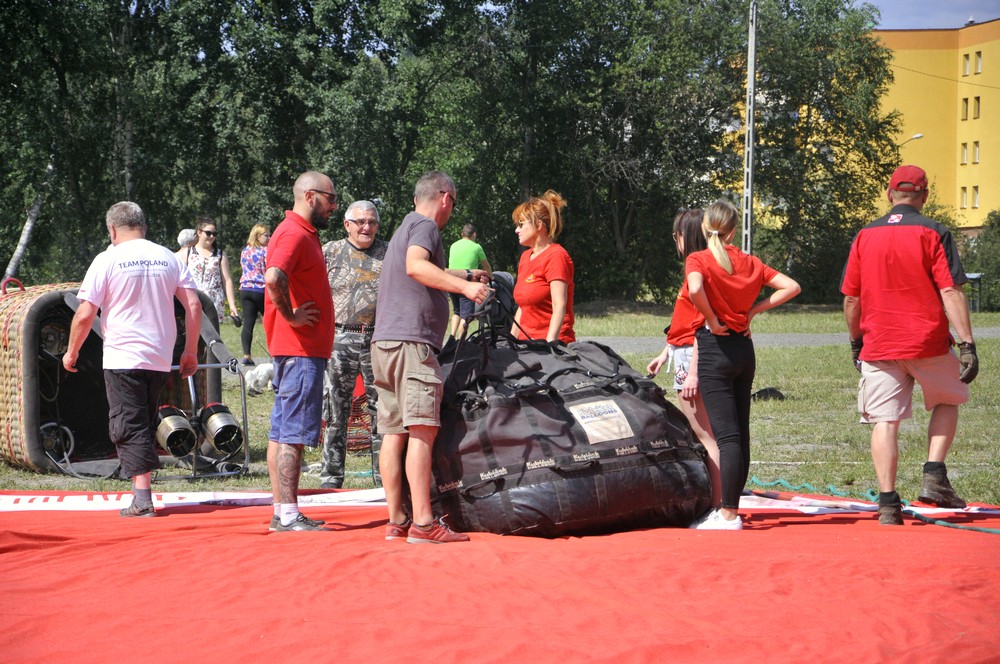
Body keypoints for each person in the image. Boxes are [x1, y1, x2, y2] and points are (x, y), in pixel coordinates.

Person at [841, 165, 978, 526]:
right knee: (949, 398)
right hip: (928, 341)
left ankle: (888, 503)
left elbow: (852, 299)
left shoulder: (864, 235)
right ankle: (934, 474)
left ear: (889, 194)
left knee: (885, 421)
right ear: (925, 196)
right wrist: (967, 343)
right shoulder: (934, 231)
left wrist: (856, 341)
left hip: (879, 342)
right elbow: (950, 290)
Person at [371, 170, 490, 544]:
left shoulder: (407, 225)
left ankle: (397, 520)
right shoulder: (427, 227)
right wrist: (465, 288)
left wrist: (465, 272)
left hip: (385, 343)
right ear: (445, 197)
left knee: (393, 433)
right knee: (422, 430)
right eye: (453, 203)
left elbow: (424, 265)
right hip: (412, 344)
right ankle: (424, 524)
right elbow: (417, 266)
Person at [62, 202, 202, 517]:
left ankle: (142, 499)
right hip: (159, 355)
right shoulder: (168, 257)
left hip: (123, 355)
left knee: (128, 424)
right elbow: (193, 306)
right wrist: (190, 350)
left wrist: (71, 351)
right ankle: (142, 490)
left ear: (112, 229)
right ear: (143, 226)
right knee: (143, 420)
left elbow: (85, 313)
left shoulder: (107, 259)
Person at [685, 200, 801, 530]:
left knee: (727, 438)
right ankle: (731, 507)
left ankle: (728, 514)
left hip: (715, 348)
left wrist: (711, 319)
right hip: (743, 350)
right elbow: (792, 287)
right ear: (734, 230)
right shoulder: (750, 262)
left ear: (705, 227)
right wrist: (753, 311)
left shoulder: (699, 259)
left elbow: (695, 288)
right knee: (740, 435)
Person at [264, 171, 338, 532]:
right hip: (300, 350)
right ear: (310, 196)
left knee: (281, 432)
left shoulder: (298, 231)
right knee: (292, 432)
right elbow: (273, 277)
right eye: (330, 199)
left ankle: (282, 511)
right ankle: (289, 515)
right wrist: (291, 316)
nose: (333, 206)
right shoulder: (294, 232)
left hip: (296, 349)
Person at [647, 209, 721, 510]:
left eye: (676, 234)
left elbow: (703, 326)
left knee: (705, 435)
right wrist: (665, 353)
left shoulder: (699, 271)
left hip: (692, 356)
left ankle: (718, 506)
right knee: (704, 433)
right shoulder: (698, 270)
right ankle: (718, 501)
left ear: (686, 236)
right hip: (683, 353)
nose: (674, 239)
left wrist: (692, 372)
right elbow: (685, 321)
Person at [320, 200, 388, 489]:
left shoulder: (389, 252)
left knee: (382, 413)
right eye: (360, 222)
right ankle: (331, 478)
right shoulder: (330, 251)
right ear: (347, 224)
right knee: (336, 411)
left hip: (378, 339)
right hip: (339, 338)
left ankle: (384, 480)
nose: (366, 227)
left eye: (372, 222)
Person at [511, 190, 575, 344]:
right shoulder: (525, 257)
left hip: (551, 345)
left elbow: (559, 306)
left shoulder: (556, 256)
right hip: (527, 345)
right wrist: (510, 341)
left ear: (538, 225)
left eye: (521, 224)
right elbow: (522, 308)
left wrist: (550, 344)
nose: (517, 230)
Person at [185, 216, 240, 325]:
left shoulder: (220, 255)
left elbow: (227, 281)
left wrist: (232, 305)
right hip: (193, 299)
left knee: (213, 333)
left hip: (214, 302)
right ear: (199, 232)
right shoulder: (187, 252)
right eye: (208, 233)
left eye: (214, 234)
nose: (211, 237)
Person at [447, 223, 493, 336]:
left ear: (462, 234)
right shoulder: (476, 247)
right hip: (466, 284)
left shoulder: (453, 245)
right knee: (466, 316)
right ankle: (460, 342)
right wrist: (491, 277)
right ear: (474, 235)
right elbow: (486, 266)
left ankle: (452, 337)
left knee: (456, 311)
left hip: (451, 282)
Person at [239, 224, 270, 365]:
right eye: (266, 235)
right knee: (270, 322)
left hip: (246, 288)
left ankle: (247, 355)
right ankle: (274, 353)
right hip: (261, 289)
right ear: (257, 236)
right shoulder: (266, 251)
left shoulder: (245, 250)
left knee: (248, 323)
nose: (269, 238)